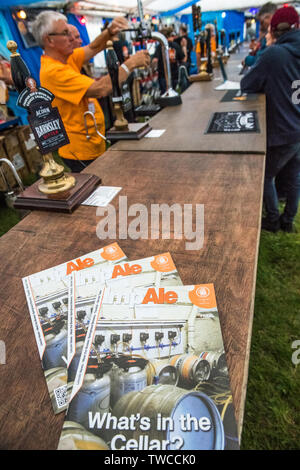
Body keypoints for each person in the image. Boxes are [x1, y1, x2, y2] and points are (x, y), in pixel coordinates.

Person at [31, 11, 150, 172]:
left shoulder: (67, 58)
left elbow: (93, 47)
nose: (71, 39)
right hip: (80, 149)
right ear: (49, 40)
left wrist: (109, 31)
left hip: (91, 141)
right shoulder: (53, 71)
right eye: (65, 33)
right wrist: (130, 64)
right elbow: (100, 89)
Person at [241, 6, 300, 233]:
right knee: (294, 176)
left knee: (265, 176)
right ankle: (288, 222)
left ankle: (273, 220)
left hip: (281, 129)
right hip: (296, 126)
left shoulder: (276, 54)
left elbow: (248, 84)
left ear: (275, 29)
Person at [243, 2, 277, 68]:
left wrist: (247, 59)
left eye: (262, 21)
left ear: (269, 17)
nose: (261, 25)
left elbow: (261, 58)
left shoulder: (276, 35)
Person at [152, 27, 185, 94]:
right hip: (175, 76)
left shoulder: (160, 46)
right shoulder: (175, 45)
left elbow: (155, 60)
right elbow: (183, 59)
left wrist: (153, 69)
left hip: (163, 77)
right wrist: (184, 47)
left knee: (166, 96)